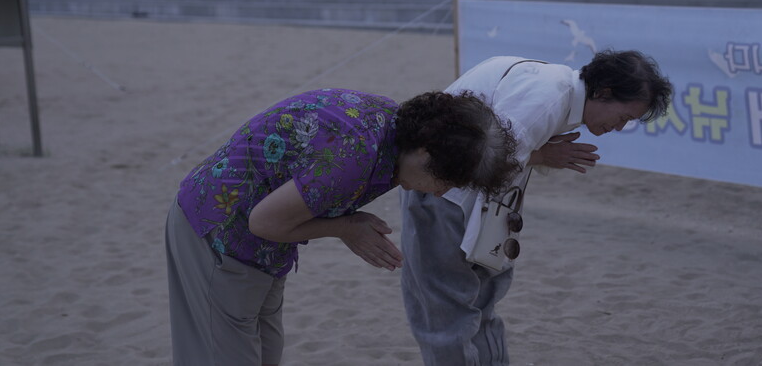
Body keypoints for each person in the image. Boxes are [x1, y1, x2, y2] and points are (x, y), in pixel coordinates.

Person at [166, 89, 520, 366]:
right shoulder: (354, 156)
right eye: (445, 180)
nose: (442, 192)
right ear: (424, 153)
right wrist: (345, 228)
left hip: (266, 250)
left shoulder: (394, 129)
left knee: (265, 353)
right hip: (217, 232)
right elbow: (263, 221)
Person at [400, 51, 673, 365]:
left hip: (480, 205)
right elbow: (478, 156)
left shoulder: (555, 88)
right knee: (447, 313)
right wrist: (543, 156)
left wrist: (540, 155)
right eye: (624, 117)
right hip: (440, 192)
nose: (620, 126)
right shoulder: (548, 96)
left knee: (472, 308)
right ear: (604, 93)